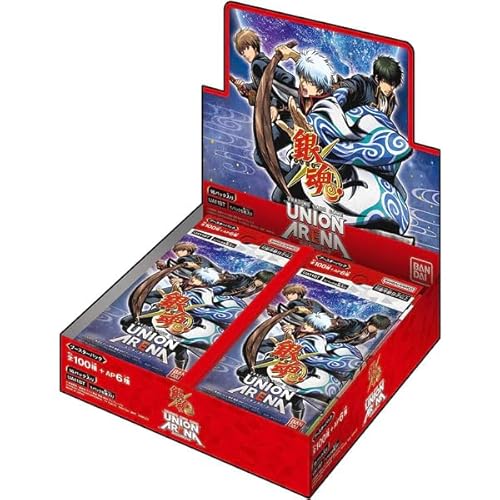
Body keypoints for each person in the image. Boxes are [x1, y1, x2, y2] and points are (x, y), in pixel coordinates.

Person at [232, 28, 296, 177]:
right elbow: (261, 87)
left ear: (254, 46)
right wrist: (245, 87)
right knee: (261, 155)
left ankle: (292, 177)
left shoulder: (259, 64)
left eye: (246, 48)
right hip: (285, 119)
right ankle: (291, 175)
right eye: (241, 52)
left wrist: (274, 104)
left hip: (290, 118)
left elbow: (287, 79)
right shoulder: (258, 65)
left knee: (261, 155)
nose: (244, 54)